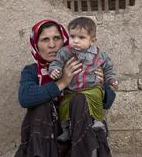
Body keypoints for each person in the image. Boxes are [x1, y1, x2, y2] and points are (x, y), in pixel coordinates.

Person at [15, 19, 115, 157]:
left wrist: (100, 85)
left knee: (80, 99)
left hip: (81, 131)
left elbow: (108, 100)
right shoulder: (32, 71)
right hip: (47, 135)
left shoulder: (82, 63)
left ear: (64, 40)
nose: (52, 45)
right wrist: (63, 82)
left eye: (56, 38)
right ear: (36, 45)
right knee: (40, 106)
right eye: (45, 40)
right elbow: (25, 98)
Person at [48, 17, 119, 142]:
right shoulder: (65, 52)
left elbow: (108, 69)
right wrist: (55, 71)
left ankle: (97, 121)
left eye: (81, 38)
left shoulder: (99, 55)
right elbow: (56, 63)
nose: (75, 41)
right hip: (72, 90)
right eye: (72, 36)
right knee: (64, 106)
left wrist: (111, 79)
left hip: (92, 87)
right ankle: (66, 130)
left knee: (96, 98)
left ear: (92, 40)